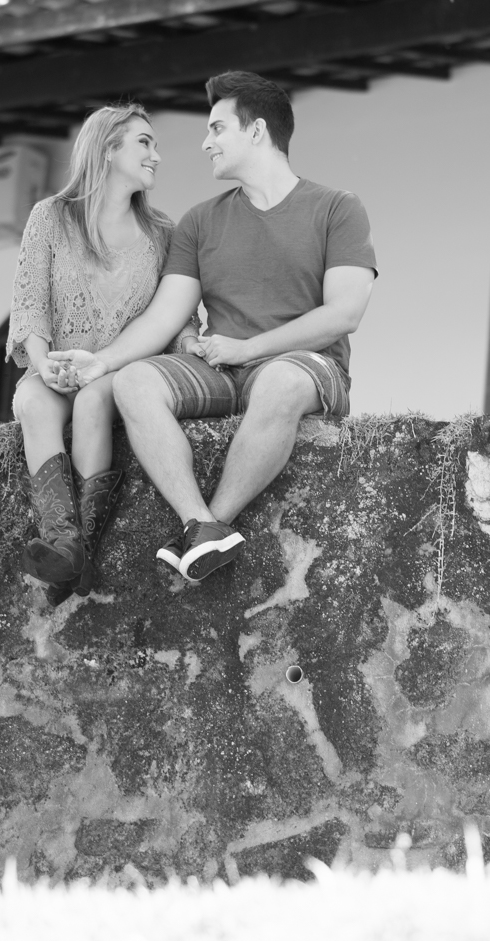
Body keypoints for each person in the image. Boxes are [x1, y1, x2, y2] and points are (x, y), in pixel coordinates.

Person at [49, 71, 377, 582]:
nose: (205, 143)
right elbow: (164, 315)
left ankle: (212, 523)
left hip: (307, 367)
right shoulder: (200, 221)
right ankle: (198, 523)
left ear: (257, 131)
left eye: (217, 128)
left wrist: (250, 348)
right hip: (222, 369)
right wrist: (103, 362)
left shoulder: (337, 207)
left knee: (280, 380)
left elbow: (344, 313)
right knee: (133, 382)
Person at [6, 103, 197, 605]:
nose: (156, 156)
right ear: (108, 149)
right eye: (144, 143)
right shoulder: (50, 217)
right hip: (57, 367)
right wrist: (43, 364)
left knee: (92, 402)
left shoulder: (162, 233)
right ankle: (65, 542)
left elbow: (175, 314)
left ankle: (75, 555)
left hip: (118, 370)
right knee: (30, 402)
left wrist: (191, 344)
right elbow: (30, 303)